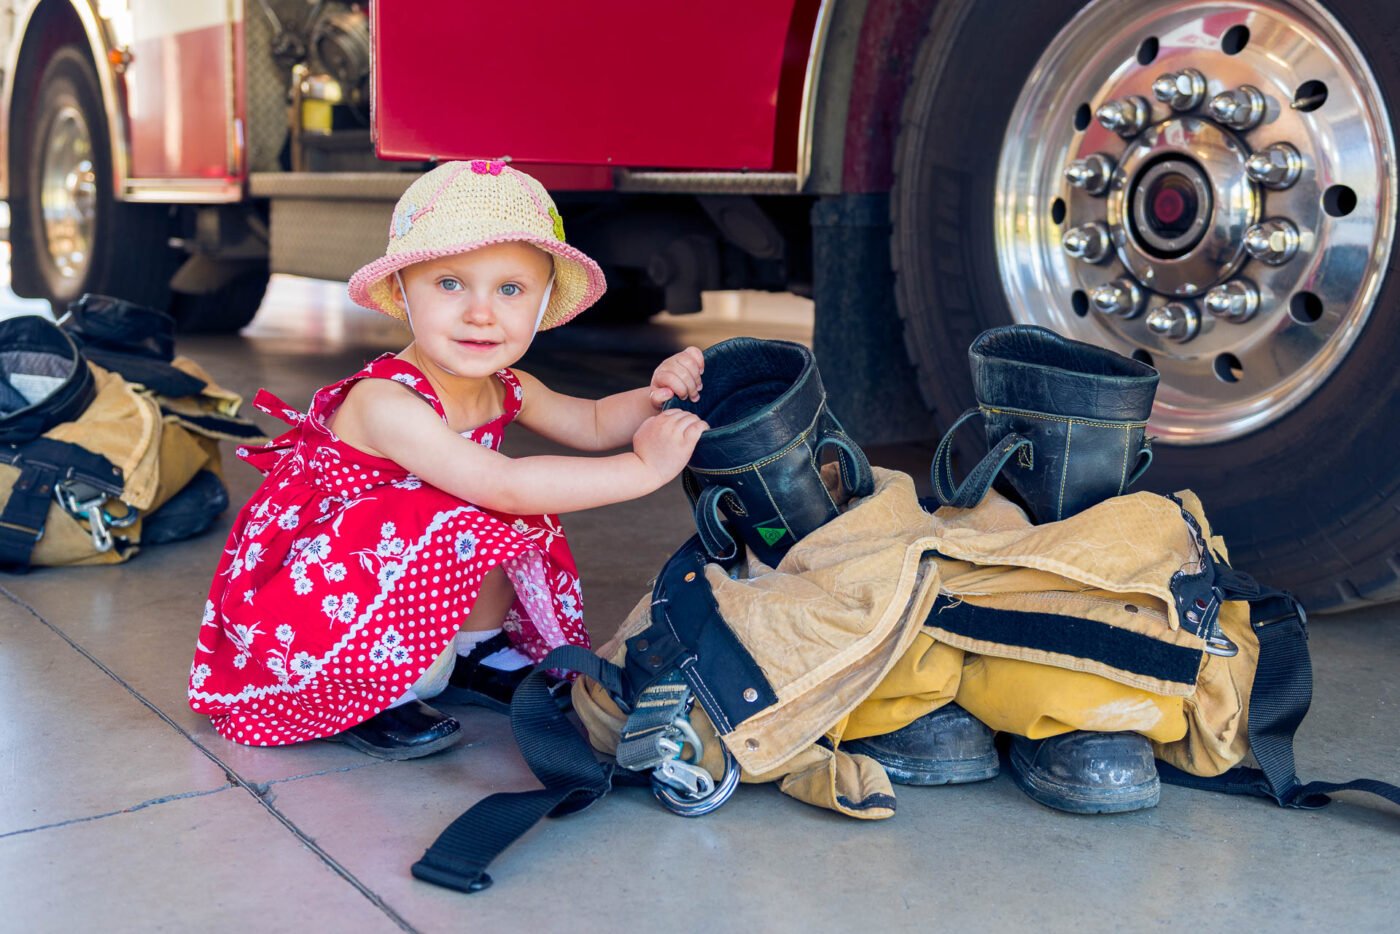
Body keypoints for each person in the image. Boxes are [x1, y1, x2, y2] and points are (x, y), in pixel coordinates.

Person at [188, 160, 707, 759]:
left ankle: (472, 651)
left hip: (399, 573)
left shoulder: (506, 383)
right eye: (450, 284)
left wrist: (655, 395)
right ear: (404, 291)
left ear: (541, 305)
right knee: (476, 508)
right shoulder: (387, 400)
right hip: (323, 594)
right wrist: (642, 471)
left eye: (510, 290)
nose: (481, 312)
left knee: (485, 517)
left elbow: (590, 422)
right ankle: (359, 695)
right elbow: (505, 483)